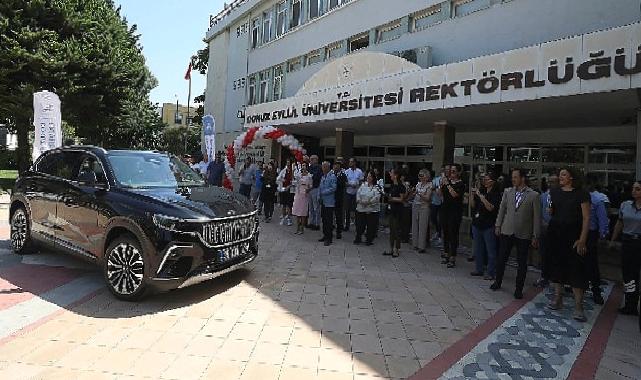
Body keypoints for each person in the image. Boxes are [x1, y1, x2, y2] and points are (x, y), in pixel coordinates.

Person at [546, 167, 591, 322]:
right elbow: (553, 211)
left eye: (564, 175)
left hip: (573, 235)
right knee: (557, 267)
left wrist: (582, 239)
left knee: (576, 269)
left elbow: (586, 218)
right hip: (556, 233)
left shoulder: (581, 194)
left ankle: (579, 306)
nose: (561, 177)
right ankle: (558, 298)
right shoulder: (555, 192)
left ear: (571, 177)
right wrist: (550, 210)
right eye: (560, 175)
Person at [491, 168, 540, 299]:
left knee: (522, 263)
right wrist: (498, 225)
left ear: (522, 178)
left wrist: (536, 235)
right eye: (512, 177)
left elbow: (536, 217)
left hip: (523, 234)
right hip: (507, 230)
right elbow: (502, 210)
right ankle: (497, 281)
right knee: (501, 259)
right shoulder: (508, 192)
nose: (513, 179)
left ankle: (518, 289)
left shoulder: (533, 195)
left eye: (515, 177)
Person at [610, 180, 641, 316]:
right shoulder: (625, 205)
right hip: (628, 242)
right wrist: (613, 239)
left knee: (637, 274)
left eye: (638, 189)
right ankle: (630, 304)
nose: (634, 191)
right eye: (634, 188)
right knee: (629, 275)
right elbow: (619, 223)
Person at [469, 172, 502, 280]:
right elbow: (473, 205)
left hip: (489, 225)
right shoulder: (482, 191)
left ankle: (491, 272)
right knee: (478, 248)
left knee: (490, 250)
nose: (485, 181)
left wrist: (481, 196)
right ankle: (479, 269)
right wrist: (472, 195)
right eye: (484, 179)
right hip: (477, 223)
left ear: (492, 181)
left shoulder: (496, 194)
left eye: (487, 179)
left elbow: (491, 208)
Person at [586, 180, 609, 305]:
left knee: (592, 263)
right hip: (579, 232)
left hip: (591, 234)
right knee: (579, 261)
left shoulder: (597, 199)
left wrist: (603, 233)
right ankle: (579, 285)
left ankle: (596, 291)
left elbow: (602, 218)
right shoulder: (579, 197)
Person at [535, 175, 559, 288]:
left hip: (558, 229)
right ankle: (544, 276)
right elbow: (538, 213)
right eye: (549, 182)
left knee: (556, 254)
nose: (550, 184)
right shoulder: (543, 196)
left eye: (553, 182)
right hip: (545, 229)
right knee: (544, 254)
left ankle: (556, 277)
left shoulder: (561, 196)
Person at [439, 164, 465, 268]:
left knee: (453, 233)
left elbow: (455, 195)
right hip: (445, 209)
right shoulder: (447, 182)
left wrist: (448, 185)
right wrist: (441, 185)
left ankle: (452, 256)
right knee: (445, 232)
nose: (451, 173)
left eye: (454, 171)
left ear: (458, 173)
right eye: (450, 171)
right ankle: (446, 253)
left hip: (455, 212)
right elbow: (440, 194)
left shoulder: (461, 184)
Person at [383, 168, 406, 257]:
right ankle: (391, 248)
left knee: (397, 230)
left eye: (391, 173)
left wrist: (392, 198)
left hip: (398, 211)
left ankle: (397, 249)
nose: (390, 174)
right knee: (391, 230)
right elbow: (390, 196)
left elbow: (402, 199)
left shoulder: (401, 186)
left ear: (396, 175)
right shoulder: (392, 185)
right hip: (391, 210)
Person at [354, 171, 381, 246]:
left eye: (370, 176)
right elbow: (358, 193)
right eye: (367, 176)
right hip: (361, 208)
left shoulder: (377, 187)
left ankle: (369, 240)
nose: (368, 178)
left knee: (371, 226)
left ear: (373, 178)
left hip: (371, 209)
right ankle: (358, 238)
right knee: (360, 225)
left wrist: (368, 202)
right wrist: (360, 200)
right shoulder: (363, 185)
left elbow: (377, 197)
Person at [411, 169, 433, 253]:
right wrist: (413, 193)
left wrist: (419, 193)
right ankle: (415, 244)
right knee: (414, 225)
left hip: (424, 207)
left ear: (427, 177)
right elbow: (413, 195)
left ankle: (421, 246)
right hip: (415, 205)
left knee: (422, 226)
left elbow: (428, 198)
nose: (420, 177)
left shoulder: (429, 185)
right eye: (419, 175)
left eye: (422, 175)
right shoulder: (418, 184)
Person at [318, 161, 337, 246]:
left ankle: (329, 238)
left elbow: (333, 188)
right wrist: (319, 196)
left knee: (329, 221)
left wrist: (323, 192)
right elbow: (320, 187)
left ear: (328, 167)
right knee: (324, 220)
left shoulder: (332, 176)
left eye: (324, 167)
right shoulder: (323, 177)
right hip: (323, 202)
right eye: (322, 167)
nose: (323, 168)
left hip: (329, 202)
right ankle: (325, 235)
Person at [344, 158, 364, 232]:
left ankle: (357, 225)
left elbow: (362, 182)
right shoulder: (346, 171)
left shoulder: (359, 171)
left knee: (357, 209)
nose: (350, 163)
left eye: (351, 162)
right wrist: (349, 184)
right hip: (348, 192)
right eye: (349, 162)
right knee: (347, 209)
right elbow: (344, 182)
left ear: (355, 163)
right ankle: (347, 225)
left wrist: (357, 185)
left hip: (357, 193)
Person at [292, 162, 313, 234]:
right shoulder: (299, 174)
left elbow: (311, 185)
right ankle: (297, 228)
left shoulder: (309, 176)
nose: (303, 167)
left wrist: (308, 189)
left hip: (304, 194)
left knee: (303, 212)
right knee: (297, 211)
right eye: (302, 165)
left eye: (305, 165)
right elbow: (294, 181)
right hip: (298, 193)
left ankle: (302, 228)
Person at [333, 159, 347, 239]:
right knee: (331, 215)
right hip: (331, 198)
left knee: (338, 215)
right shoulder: (331, 174)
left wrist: (335, 181)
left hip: (339, 198)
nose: (336, 168)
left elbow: (342, 185)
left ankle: (339, 231)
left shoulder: (343, 175)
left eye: (337, 166)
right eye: (335, 166)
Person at [277, 160, 294, 226]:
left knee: (289, 205)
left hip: (290, 190)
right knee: (283, 205)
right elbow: (278, 178)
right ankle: (283, 218)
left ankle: (289, 219)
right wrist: (282, 180)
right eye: (287, 163)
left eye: (289, 164)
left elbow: (294, 181)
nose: (288, 165)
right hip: (284, 190)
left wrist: (289, 186)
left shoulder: (294, 171)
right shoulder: (283, 171)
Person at [308, 155, 322, 231]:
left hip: (315, 188)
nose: (310, 161)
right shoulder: (310, 167)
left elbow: (316, 177)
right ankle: (311, 222)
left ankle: (317, 223)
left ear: (316, 160)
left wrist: (311, 176)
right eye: (310, 159)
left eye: (311, 159)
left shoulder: (319, 168)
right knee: (311, 207)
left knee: (316, 207)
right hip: (309, 189)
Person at [431, 167, 444, 246]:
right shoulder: (436, 179)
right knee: (433, 217)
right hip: (434, 201)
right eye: (441, 170)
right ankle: (437, 231)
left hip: (442, 202)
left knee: (440, 219)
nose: (442, 172)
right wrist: (435, 188)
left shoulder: (446, 180)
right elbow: (432, 188)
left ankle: (440, 236)